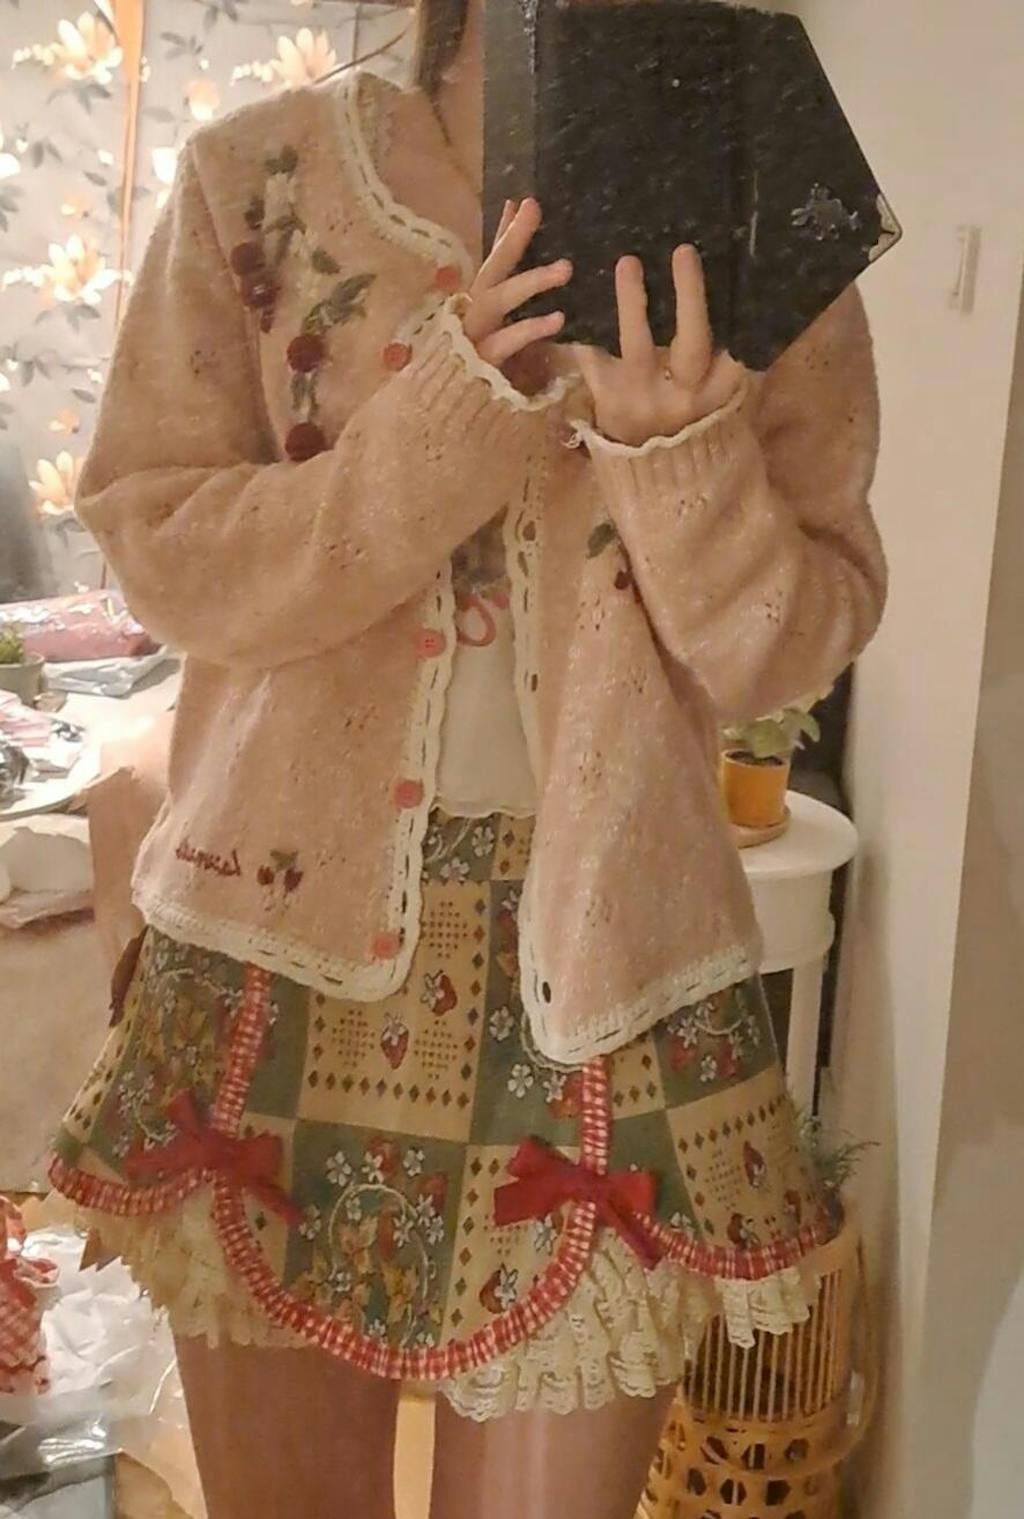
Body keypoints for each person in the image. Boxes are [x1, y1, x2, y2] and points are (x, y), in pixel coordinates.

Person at [50, 0, 888, 1514]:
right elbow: (162, 548)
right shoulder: (259, 178)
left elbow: (796, 643)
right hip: (274, 952)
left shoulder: (752, 183)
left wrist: (680, 461)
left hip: (611, 969)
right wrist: (438, 429)